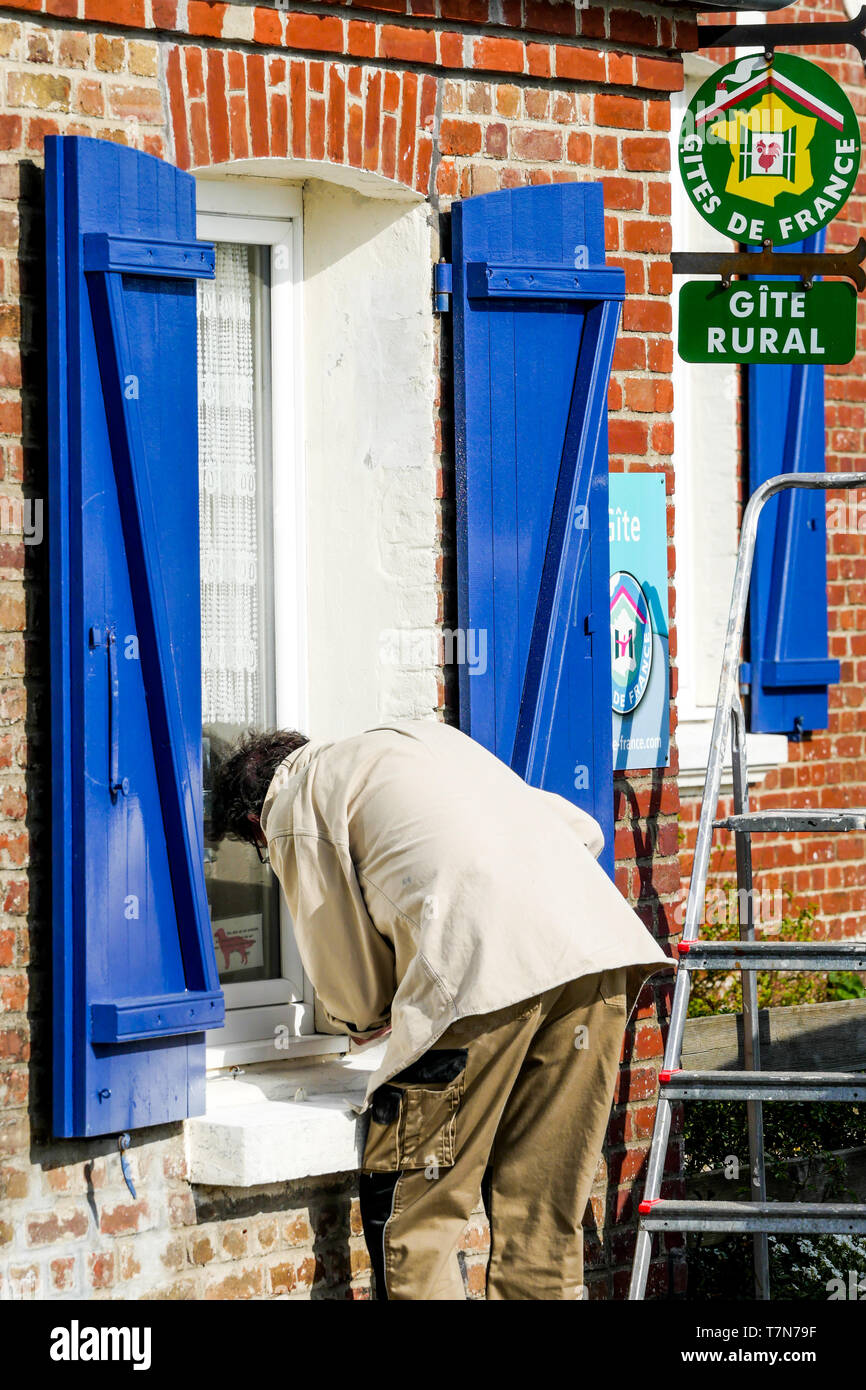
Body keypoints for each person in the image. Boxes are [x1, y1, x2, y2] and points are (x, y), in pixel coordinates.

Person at [211, 719, 670, 1300]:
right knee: (542, 1225)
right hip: (592, 955)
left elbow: (353, 993)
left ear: (255, 824)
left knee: (413, 1222)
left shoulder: (293, 806)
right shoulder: (413, 740)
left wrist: (364, 1018)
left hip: (481, 975)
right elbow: (580, 830)